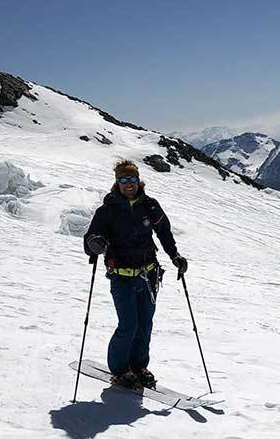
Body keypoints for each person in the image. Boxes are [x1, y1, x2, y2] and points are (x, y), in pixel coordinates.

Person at [83, 160, 188, 389]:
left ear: (138, 180)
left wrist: (175, 256)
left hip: (149, 275)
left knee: (145, 324)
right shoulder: (107, 211)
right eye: (123, 180)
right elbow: (90, 238)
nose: (128, 184)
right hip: (121, 276)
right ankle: (120, 370)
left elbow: (164, 233)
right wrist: (95, 243)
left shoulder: (150, 206)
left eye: (131, 179)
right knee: (129, 324)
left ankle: (139, 366)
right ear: (117, 182)